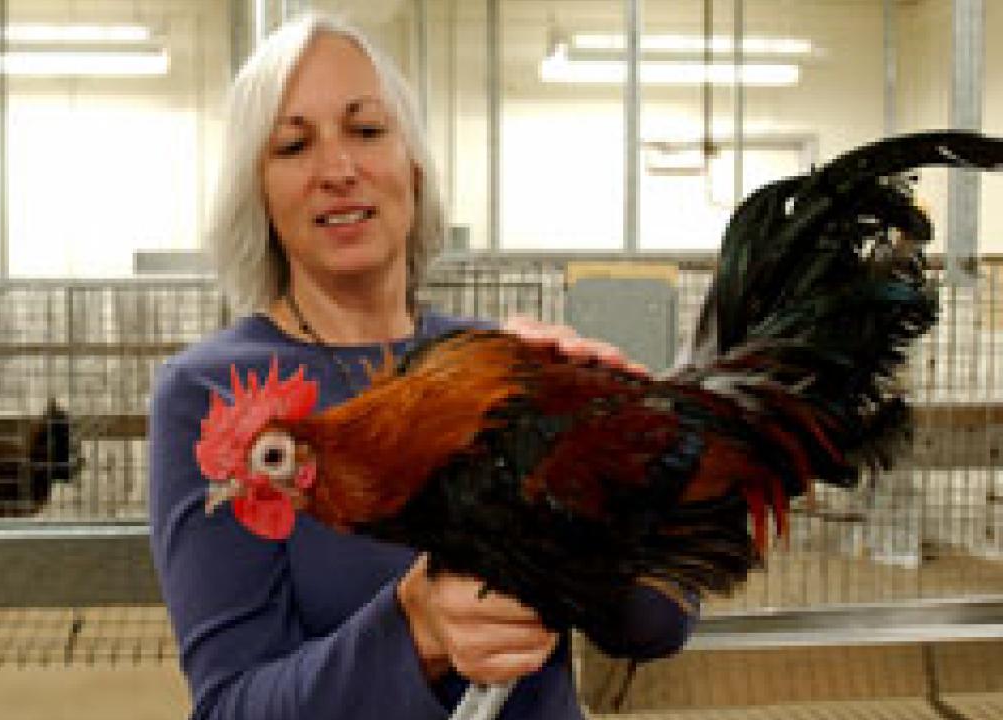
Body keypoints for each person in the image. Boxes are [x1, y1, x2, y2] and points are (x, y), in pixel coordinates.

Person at [149, 14, 696, 719]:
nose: (338, 170)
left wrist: (627, 469)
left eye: (367, 130)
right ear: (258, 191)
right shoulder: (211, 395)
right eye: (292, 144)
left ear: (412, 161)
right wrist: (415, 630)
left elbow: (655, 627)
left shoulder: (494, 363)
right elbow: (232, 708)